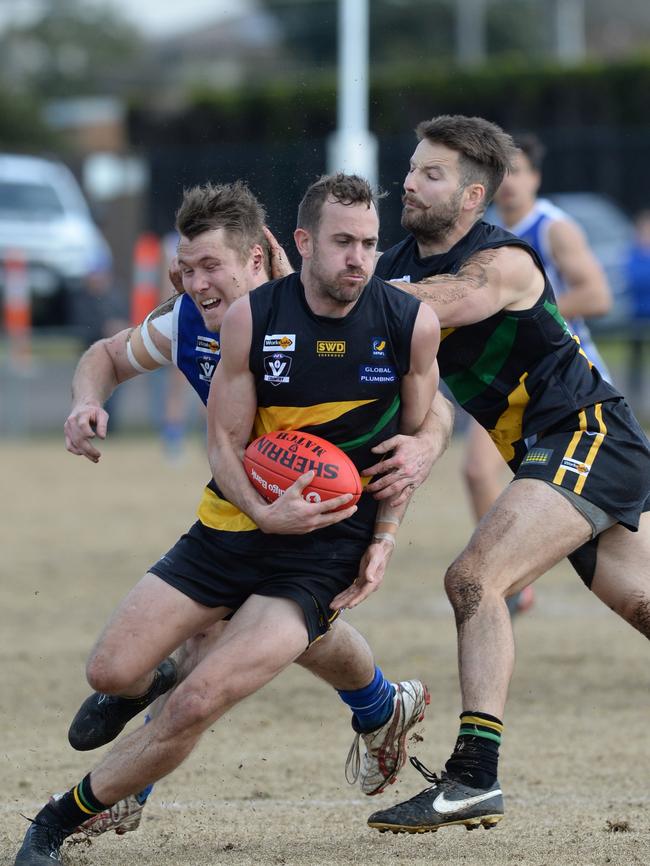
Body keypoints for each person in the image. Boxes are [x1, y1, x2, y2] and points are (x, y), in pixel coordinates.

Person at [14, 172, 441, 865]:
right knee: (114, 671)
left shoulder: (350, 304)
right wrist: (84, 402)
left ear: (261, 255)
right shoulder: (195, 319)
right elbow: (104, 356)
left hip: (319, 541)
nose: (191, 284)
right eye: (183, 270)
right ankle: (378, 705)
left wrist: (413, 471)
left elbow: (425, 403)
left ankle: (83, 808)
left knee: (205, 689)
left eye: (208, 266)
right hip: (233, 518)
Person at [357, 114, 650, 835]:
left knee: (473, 578)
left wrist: (339, 294)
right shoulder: (395, 266)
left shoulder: (506, 259)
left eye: (432, 173)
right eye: (412, 167)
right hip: (549, 456)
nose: (409, 181)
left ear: (471, 195)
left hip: (587, 436)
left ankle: (473, 777)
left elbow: (457, 302)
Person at [463, 132, 613, 615]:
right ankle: (510, 585)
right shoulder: (481, 233)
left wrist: (526, 311)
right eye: (501, 173)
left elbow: (597, 297)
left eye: (519, 171)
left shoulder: (552, 227)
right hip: (511, 386)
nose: (509, 183)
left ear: (536, 177)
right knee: (475, 470)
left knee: (606, 497)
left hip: (567, 379)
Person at [624, 209, 650, 411]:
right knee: (636, 363)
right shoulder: (633, 254)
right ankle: (635, 402)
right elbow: (635, 279)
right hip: (637, 317)